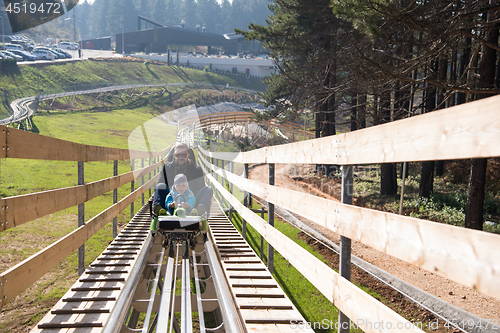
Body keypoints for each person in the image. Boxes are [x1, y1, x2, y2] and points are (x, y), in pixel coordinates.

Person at [153, 143, 213, 217]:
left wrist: (189, 201)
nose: (181, 157)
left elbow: (200, 188)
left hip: (190, 199)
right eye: (178, 155)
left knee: (208, 189)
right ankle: (160, 212)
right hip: (171, 198)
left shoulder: (196, 170)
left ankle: (199, 212)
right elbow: (159, 186)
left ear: (188, 155)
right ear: (175, 155)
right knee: (160, 186)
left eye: (184, 155)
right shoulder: (167, 167)